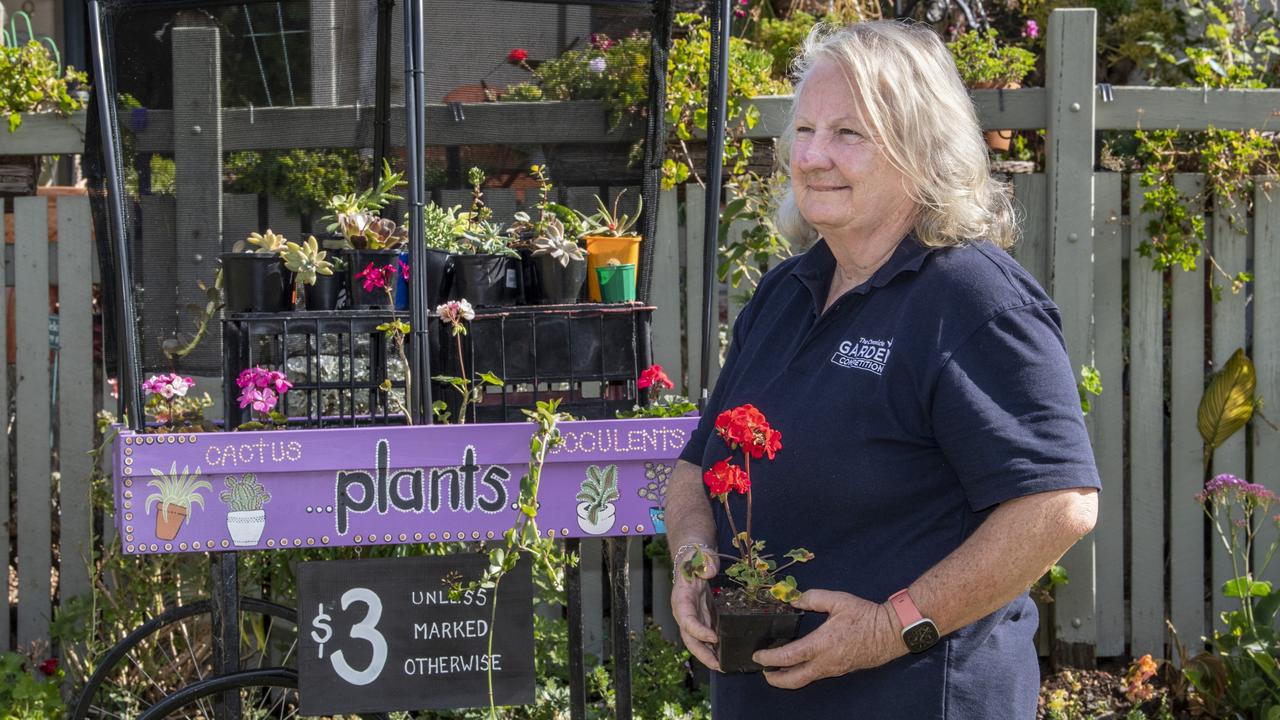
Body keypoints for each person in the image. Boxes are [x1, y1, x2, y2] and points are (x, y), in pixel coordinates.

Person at [665, 20, 1100, 719]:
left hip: (917, 696)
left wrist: (887, 628)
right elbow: (694, 470)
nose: (811, 156)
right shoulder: (786, 292)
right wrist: (694, 562)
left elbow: (1058, 506)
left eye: (848, 135)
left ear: (922, 151)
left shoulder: (972, 299)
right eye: (802, 131)